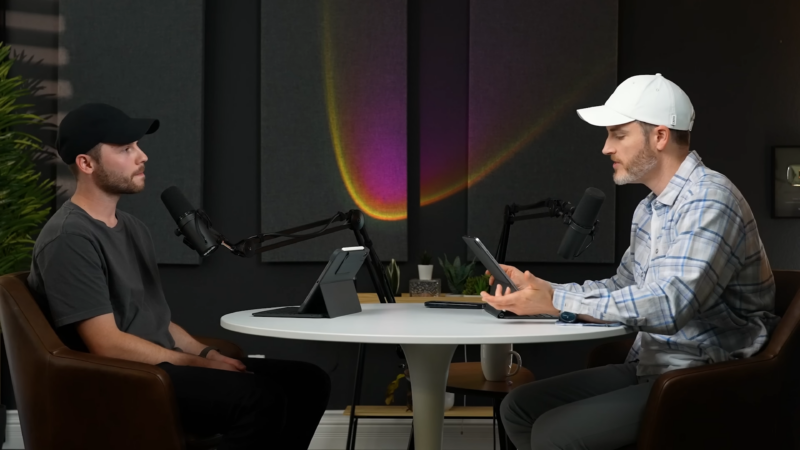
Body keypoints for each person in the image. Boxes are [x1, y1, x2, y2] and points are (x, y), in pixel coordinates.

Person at [481, 74, 778, 450]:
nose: (606, 148)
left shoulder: (711, 200)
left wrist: (557, 303)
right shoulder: (649, 209)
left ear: (659, 136)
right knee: (519, 408)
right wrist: (545, 291)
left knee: (554, 433)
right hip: (655, 366)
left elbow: (670, 305)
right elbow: (624, 287)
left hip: (708, 378)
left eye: (618, 135)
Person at [28, 103, 331, 450]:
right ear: (86, 163)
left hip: (163, 365)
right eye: (126, 148)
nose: (142, 156)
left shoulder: (133, 229)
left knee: (308, 382)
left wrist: (205, 355)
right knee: (260, 399)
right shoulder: (70, 238)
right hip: (124, 379)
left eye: (138, 146)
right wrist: (194, 364)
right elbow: (106, 343)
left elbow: (157, 319)